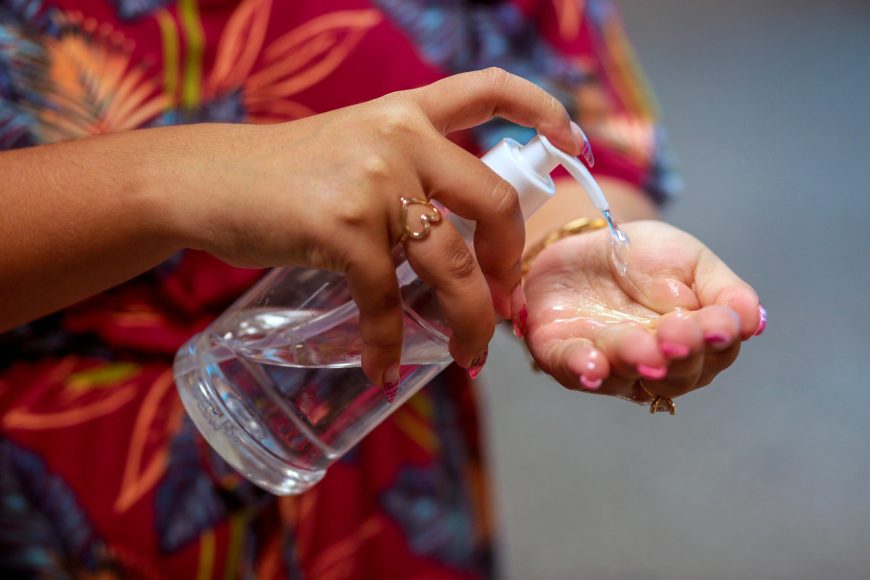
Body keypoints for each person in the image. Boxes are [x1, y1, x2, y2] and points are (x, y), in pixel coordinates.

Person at [0, 0, 765, 577]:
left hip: (373, 480)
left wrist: (570, 244)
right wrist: (173, 178)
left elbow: (564, 132)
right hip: (49, 502)